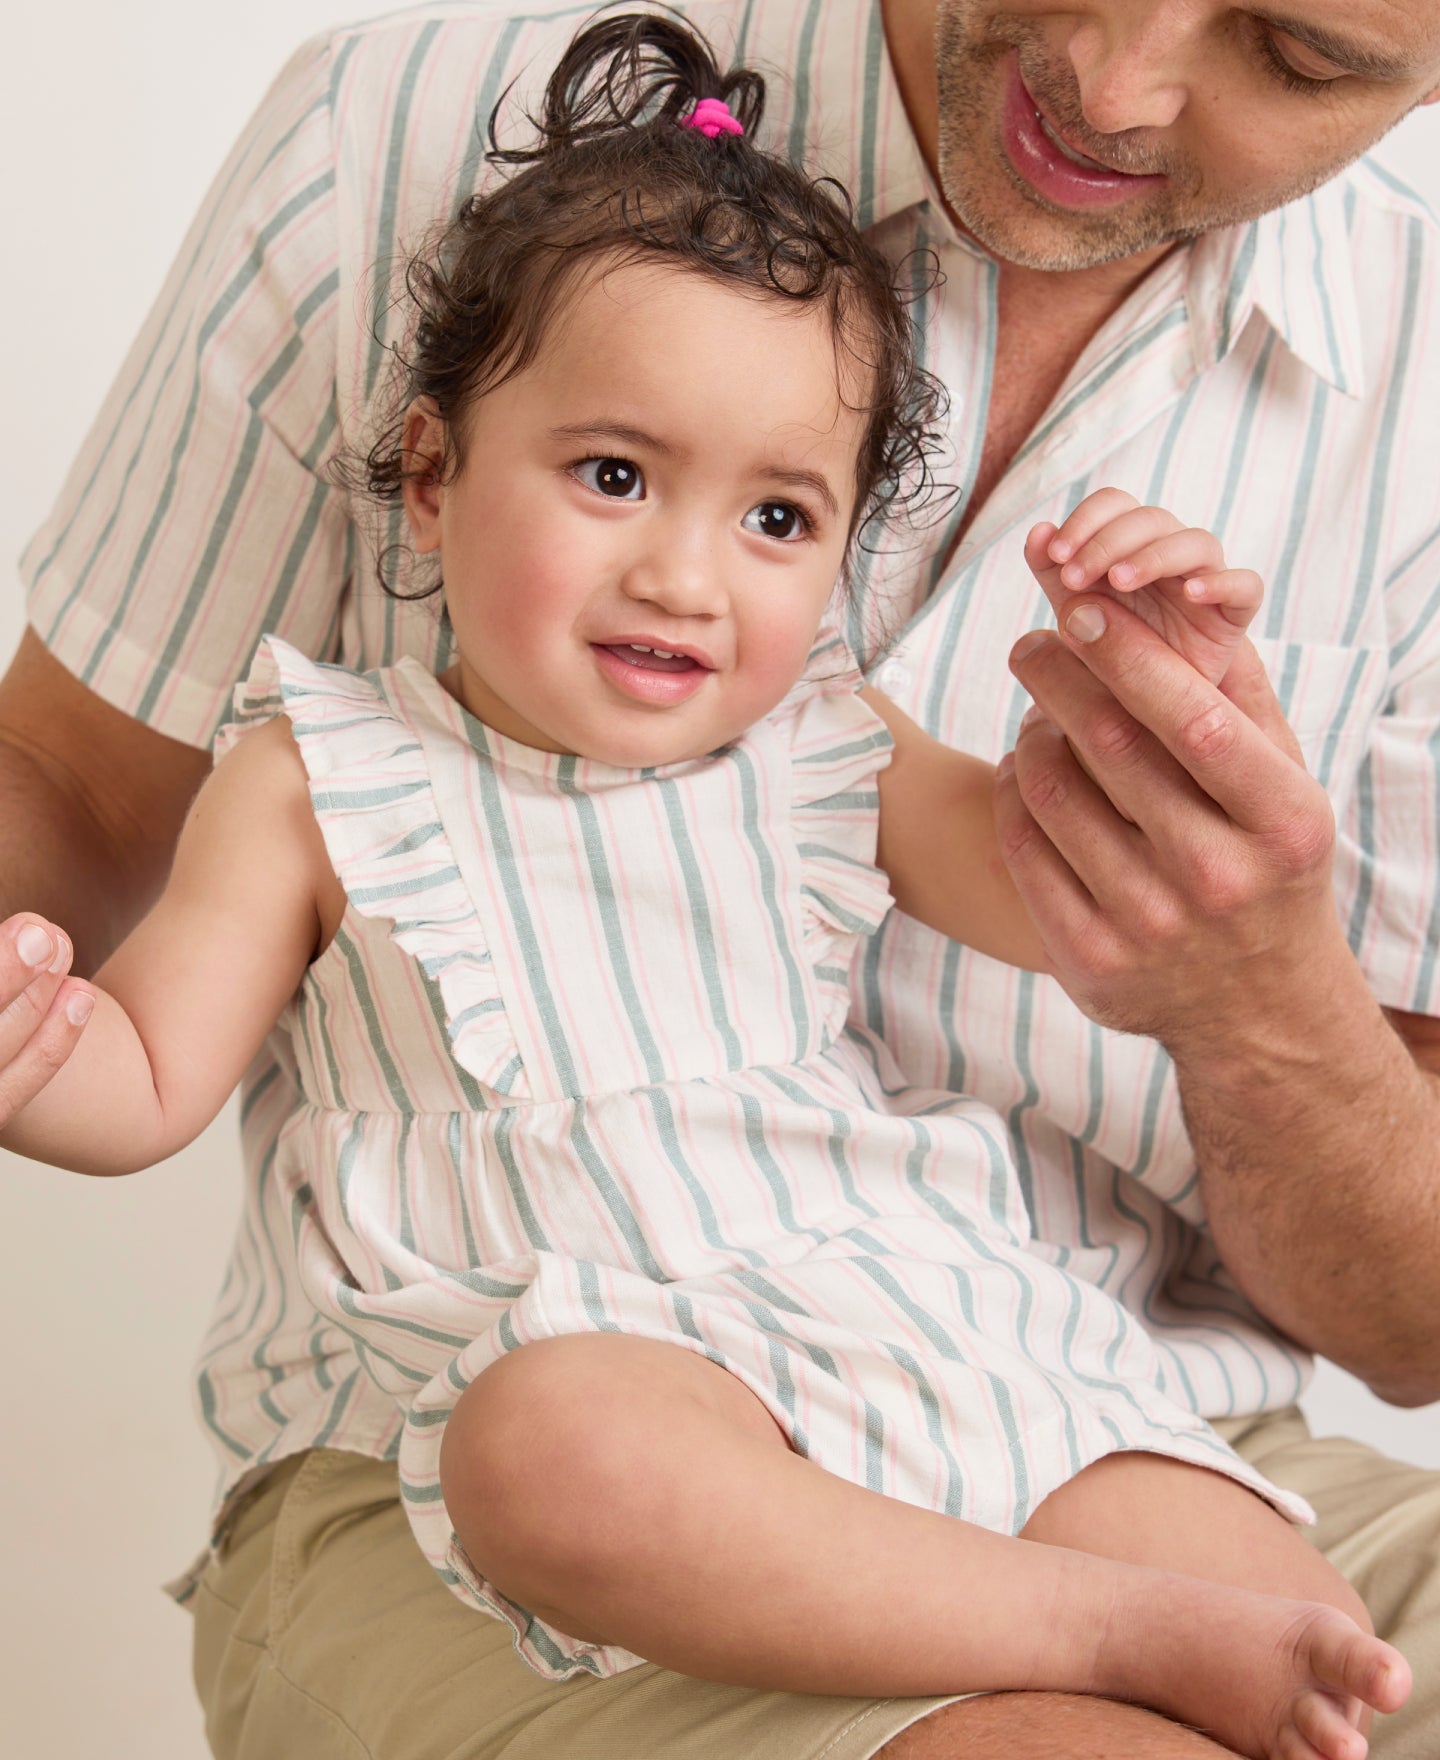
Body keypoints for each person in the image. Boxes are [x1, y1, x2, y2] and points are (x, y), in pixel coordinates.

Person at [4, 1, 1438, 1757]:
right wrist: (32, 1034)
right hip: (587, 1364)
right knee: (550, 1455)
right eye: (614, 478)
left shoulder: (828, 740)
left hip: (957, 1326)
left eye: (774, 523)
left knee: (1294, 1621)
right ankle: (1103, 1636)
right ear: (430, 473)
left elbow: (1061, 884)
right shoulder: (319, 776)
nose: (687, 578)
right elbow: (140, 1068)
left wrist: (1167, 727)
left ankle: (1169, 1617)